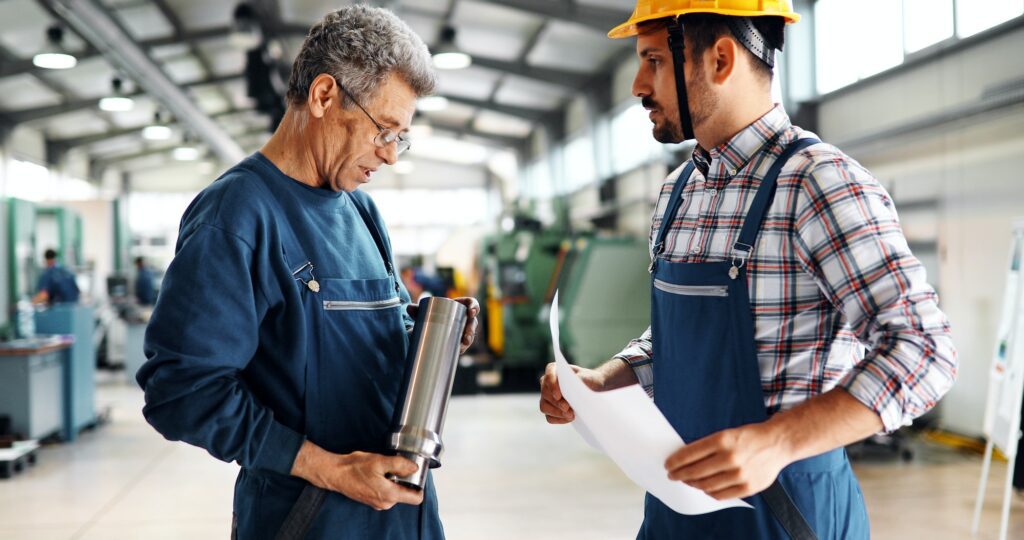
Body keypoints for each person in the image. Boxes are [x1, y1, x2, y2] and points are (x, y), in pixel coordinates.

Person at [539, 1, 958, 538]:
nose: (638, 85)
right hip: (676, 508)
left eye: (653, 61)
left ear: (719, 59)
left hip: (786, 513)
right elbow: (683, 340)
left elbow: (925, 351)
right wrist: (607, 379)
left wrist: (776, 442)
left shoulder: (818, 184)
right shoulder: (678, 192)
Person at [137, 6, 478, 539]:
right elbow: (181, 390)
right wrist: (331, 469)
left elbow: (363, 346)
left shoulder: (360, 210)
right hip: (308, 520)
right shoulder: (237, 217)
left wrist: (434, 339)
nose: (390, 156)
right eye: (383, 131)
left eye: (401, 138)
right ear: (324, 96)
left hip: (403, 518)